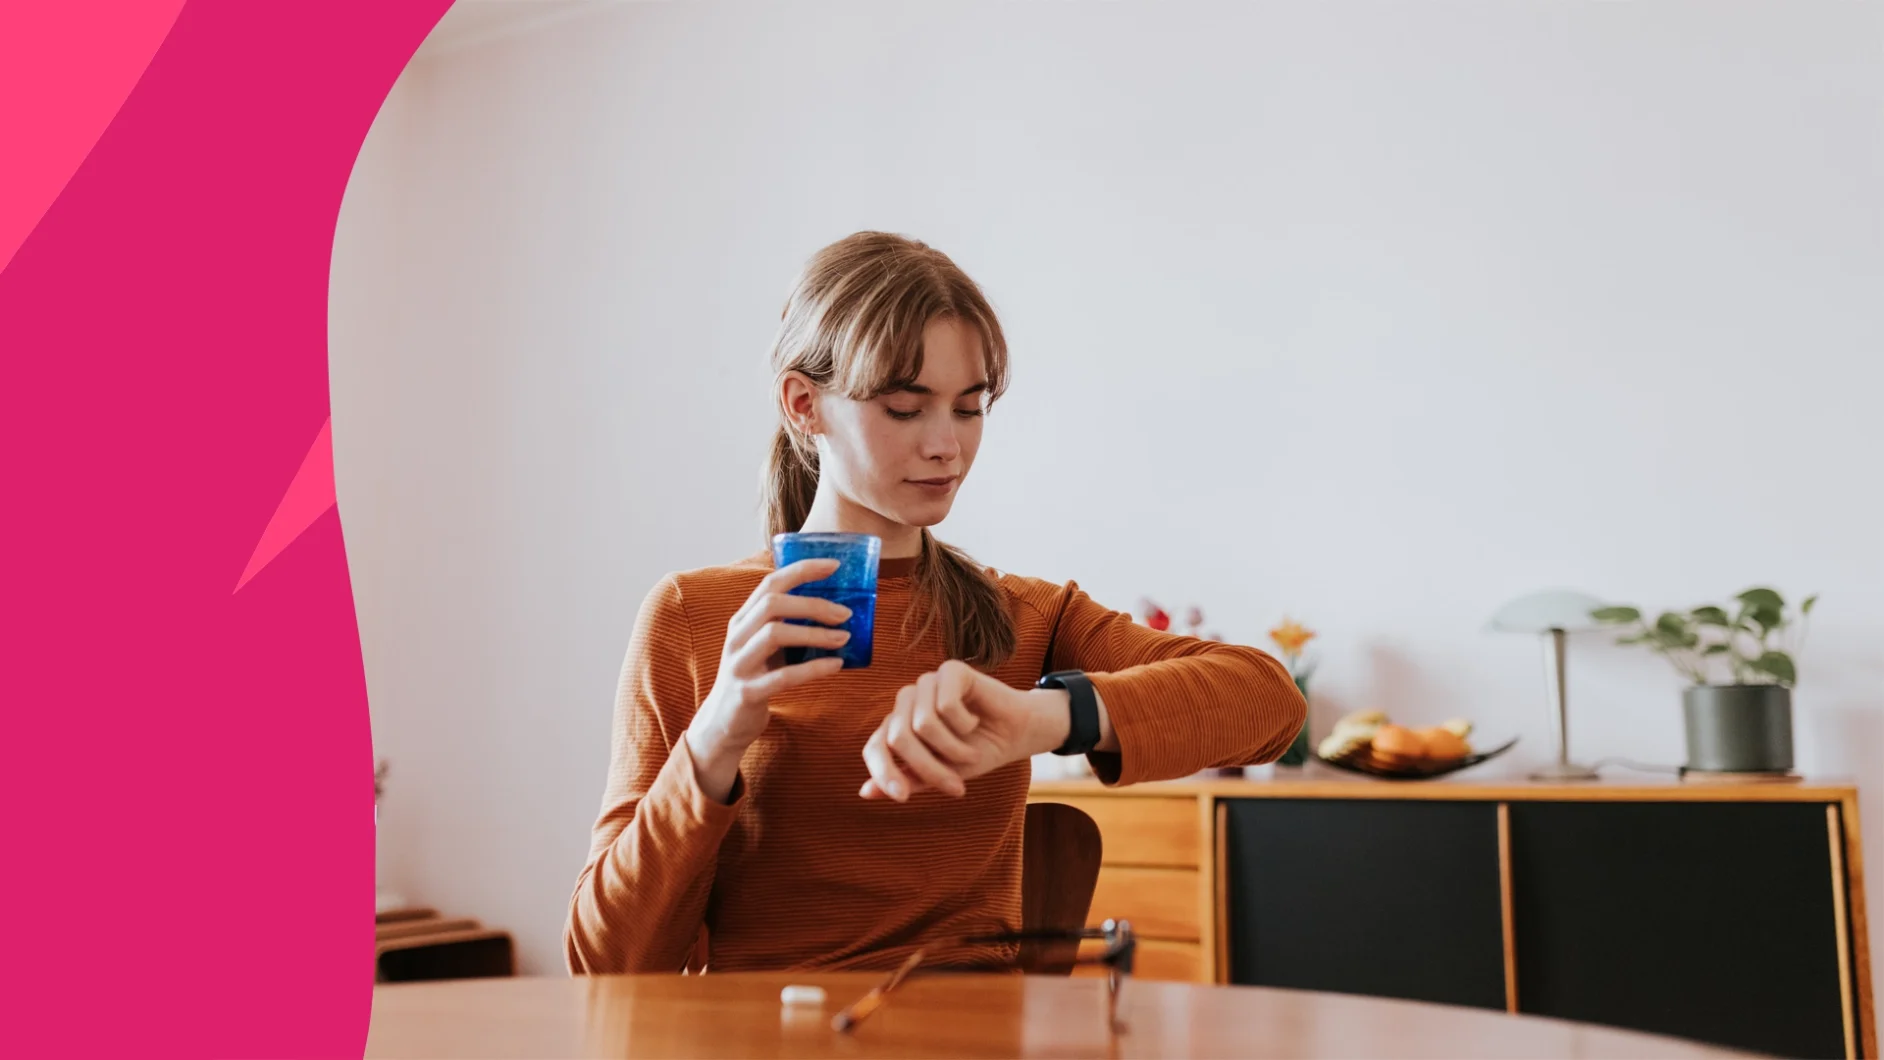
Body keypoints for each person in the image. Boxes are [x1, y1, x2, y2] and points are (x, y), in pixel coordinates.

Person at [565, 231, 1306, 975]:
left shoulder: (1024, 615)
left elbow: (1270, 701)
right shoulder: (693, 617)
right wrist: (716, 739)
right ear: (804, 404)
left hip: (972, 1027)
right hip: (769, 1028)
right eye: (905, 409)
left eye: (969, 408)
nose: (947, 446)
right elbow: (605, 963)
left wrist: (1040, 719)